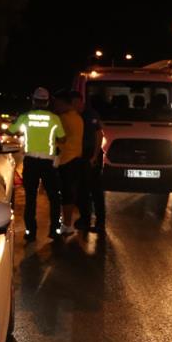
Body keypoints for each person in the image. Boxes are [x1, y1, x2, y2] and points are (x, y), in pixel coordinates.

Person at [7, 87, 65, 240]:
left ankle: (31, 232)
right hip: (48, 163)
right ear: (47, 102)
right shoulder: (54, 118)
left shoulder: (25, 116)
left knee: (30, 197)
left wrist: (20, 127)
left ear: (33, 100)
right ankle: (54, 230)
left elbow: (10, 131)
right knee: (54, 197)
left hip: (31, 162)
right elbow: (63, 138)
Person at [54, 89, 85, 236]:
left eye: (57, 104)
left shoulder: (63, 119)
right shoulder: (78, 118)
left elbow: (61, 139)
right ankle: (68, 222)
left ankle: (66, 224)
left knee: (66, 193)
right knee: (70, 192)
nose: (55, 107)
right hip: (75, 158)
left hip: (66, 159)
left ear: (63, 103)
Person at [77, 92, 106, 232]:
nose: (75, 106)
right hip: (82, 155)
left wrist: (94, 156)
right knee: (82, 189)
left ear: (81, 102)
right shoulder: (75, 115)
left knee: (95, 190)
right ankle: (85, 219)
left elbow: (99, 135)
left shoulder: (91, 114)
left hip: (92, 155)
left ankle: (100, 223)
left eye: (76, 103)